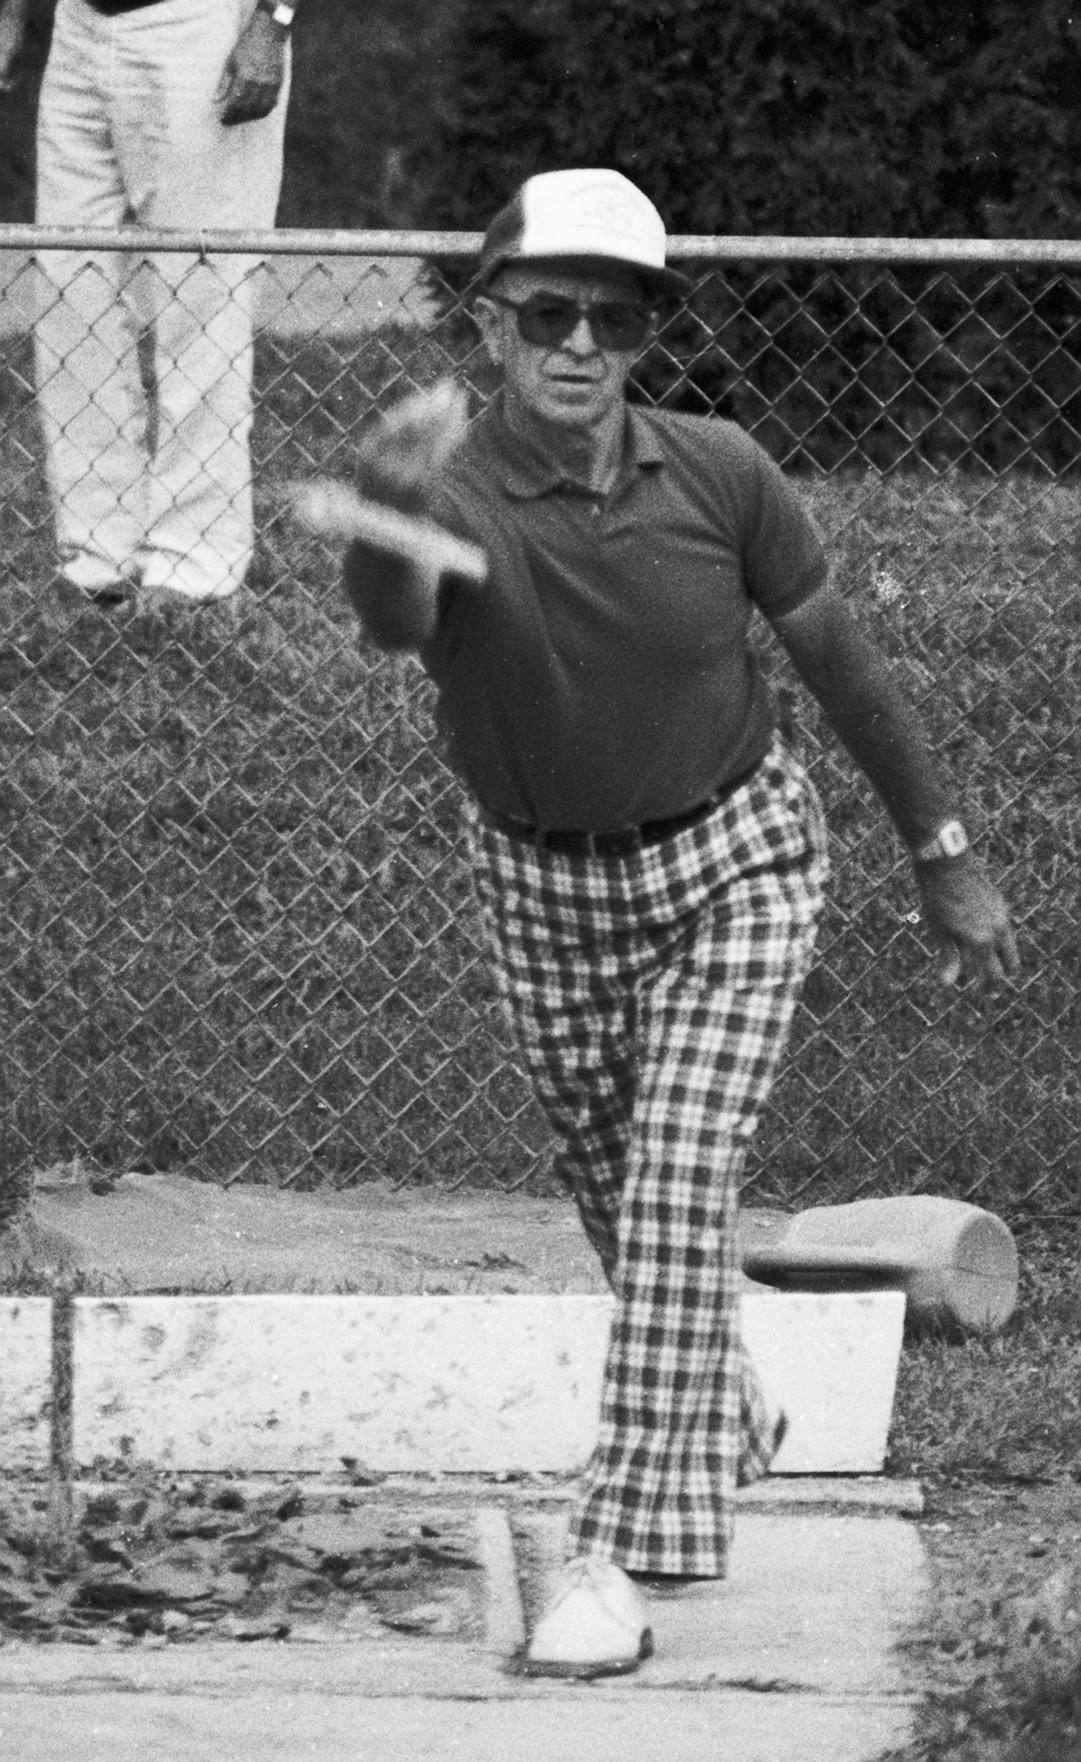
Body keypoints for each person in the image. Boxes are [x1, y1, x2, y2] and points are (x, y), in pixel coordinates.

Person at [340, 168, 1019, 1678]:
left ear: (645, 333)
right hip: (541, 884)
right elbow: (394, 621)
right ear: (490, 326)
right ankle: (720, 1399)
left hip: (735, 857)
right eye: (547, 313)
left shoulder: (720, 470)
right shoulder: (449, 494)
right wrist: (383, 510)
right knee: (620, 1204)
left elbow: (838, 662)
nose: (580, 343)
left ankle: (615, 1551)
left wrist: (939, 846)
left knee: (673, 1182)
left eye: (615, 317)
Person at [0, 0, 302, 604]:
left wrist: (275, 22)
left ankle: (196, 566)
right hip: (81, 26)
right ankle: (97, 556)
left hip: (201, 28)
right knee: (68, 293)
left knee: (201, 300)